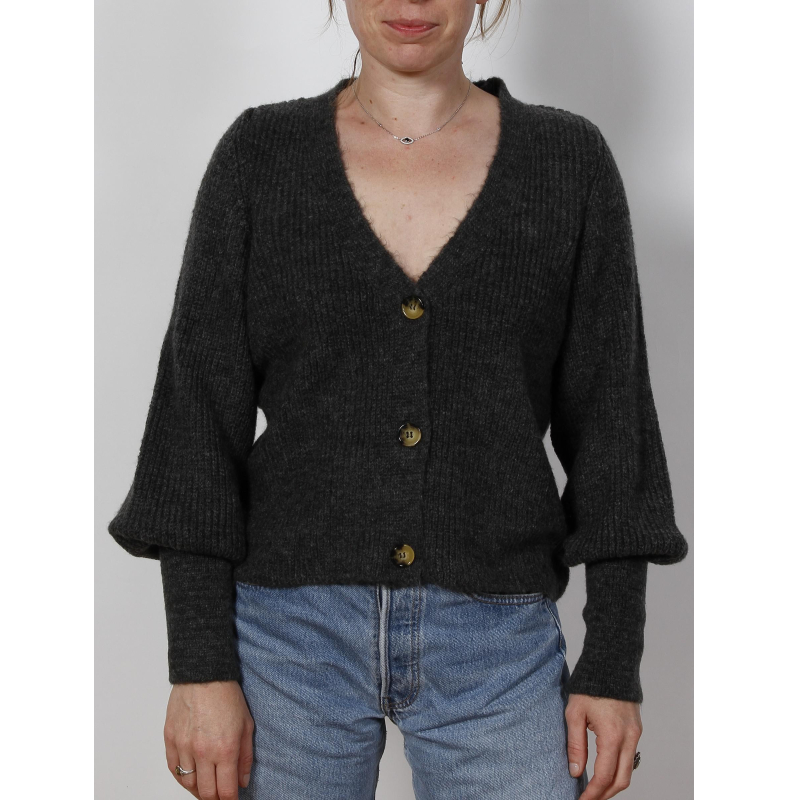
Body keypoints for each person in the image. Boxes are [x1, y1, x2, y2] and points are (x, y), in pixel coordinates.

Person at [107, 1, 689, 798]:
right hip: (286, 639)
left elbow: (614, 427)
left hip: (498, 643)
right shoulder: (261, 156)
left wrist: (613, 664)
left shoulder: (567, 162)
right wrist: (200, 665)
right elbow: (195, 421)